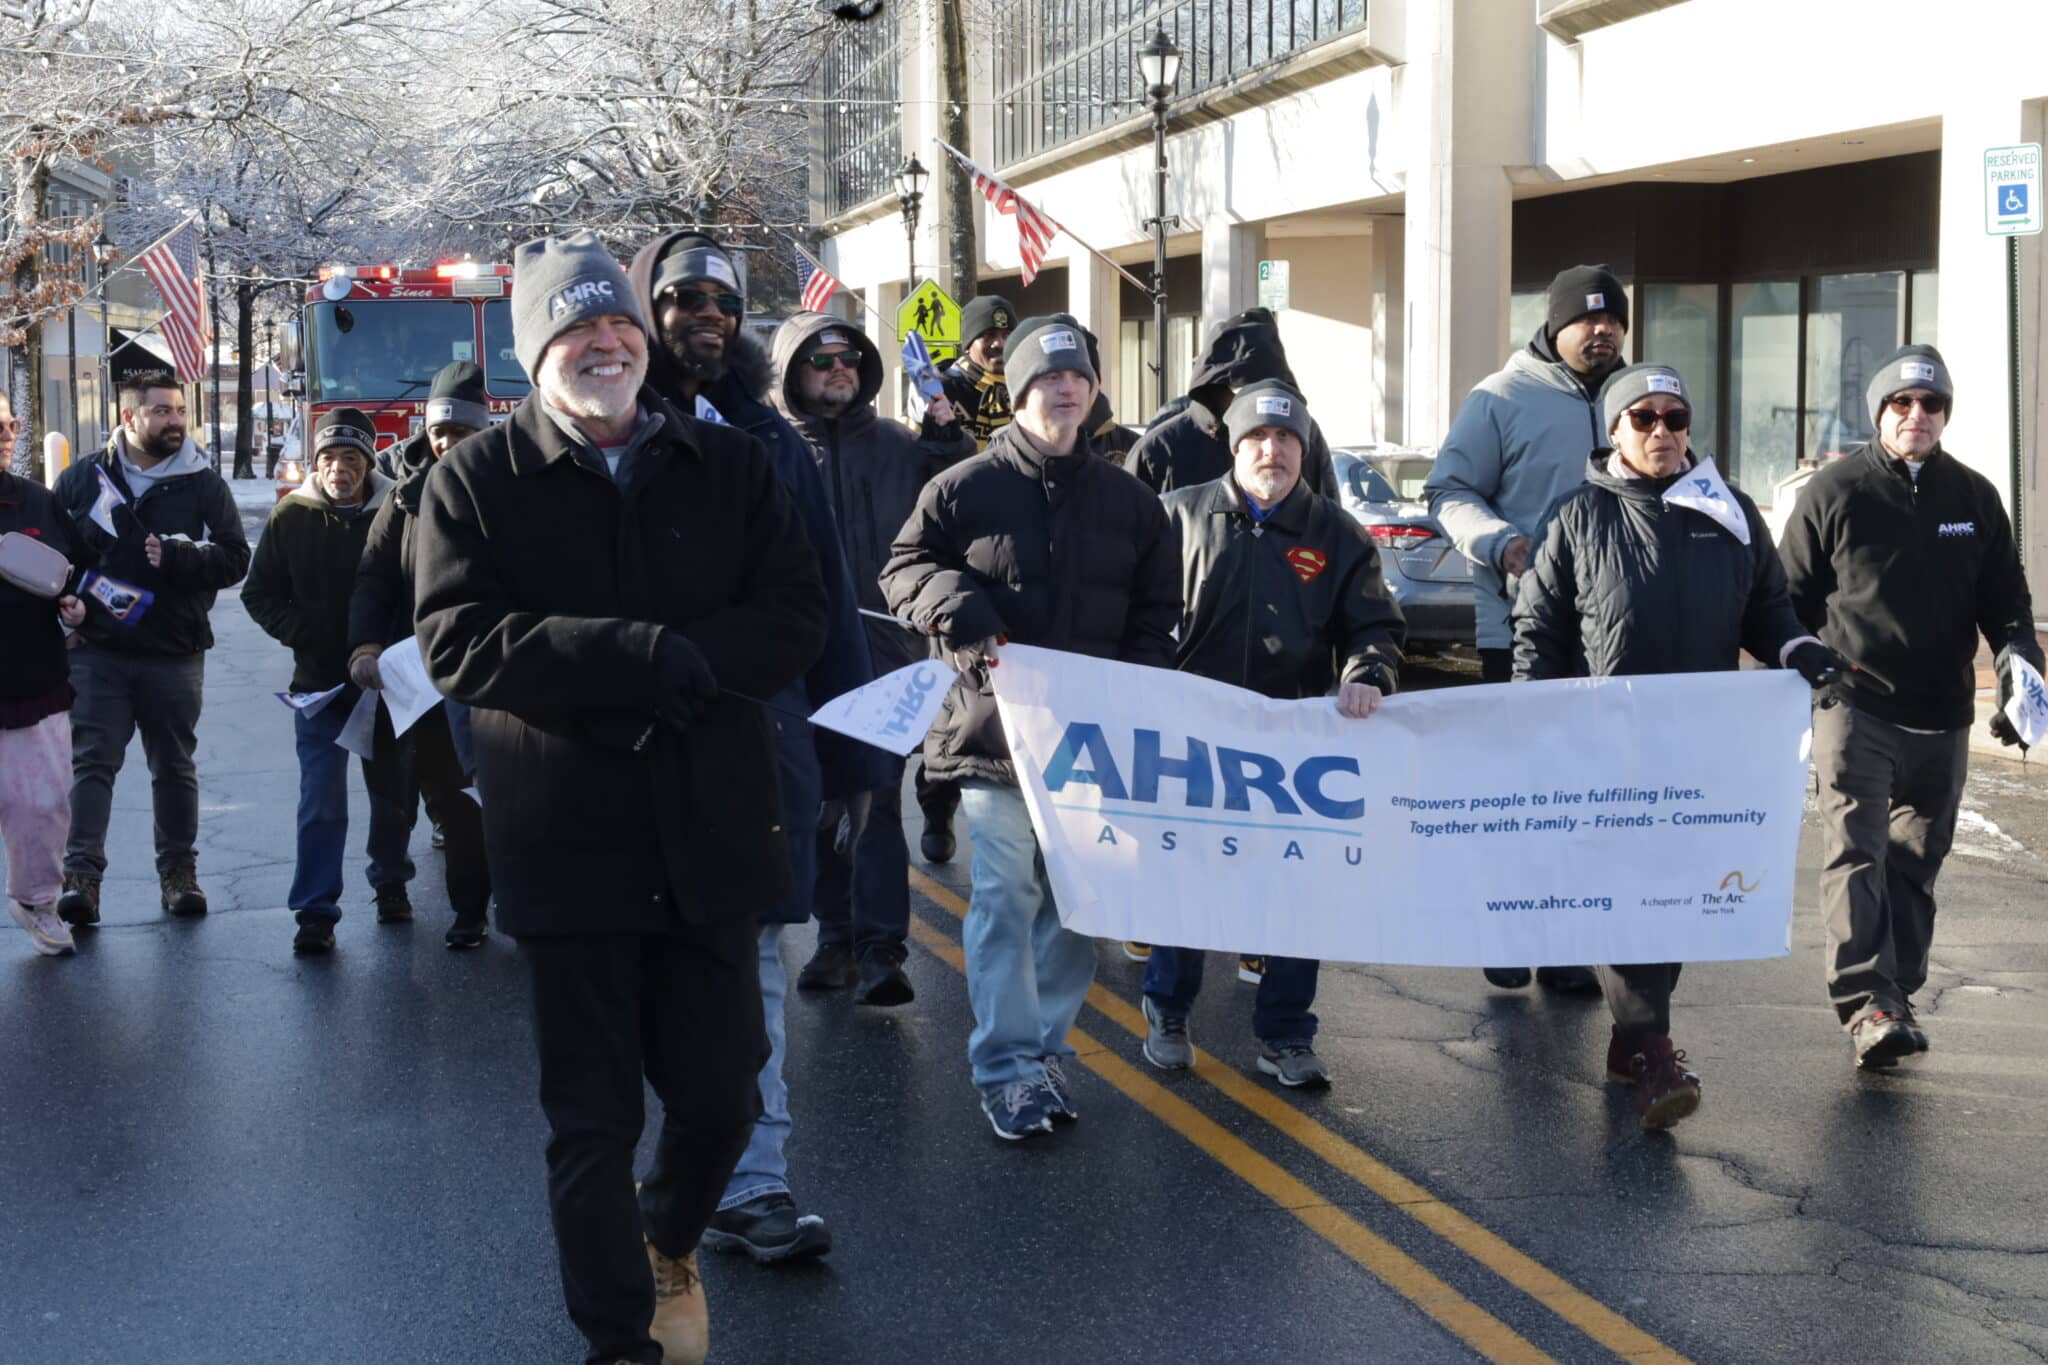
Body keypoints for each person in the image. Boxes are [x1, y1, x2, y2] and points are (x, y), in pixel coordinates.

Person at [415, 231, 827, 1365]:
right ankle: (618, 1342)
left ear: (641, 344)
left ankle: (666, 1236)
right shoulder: (473, 481)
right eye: (577, 327)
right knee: (590, 1122)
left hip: (711, 836)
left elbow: (796, 613)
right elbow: (454, 642)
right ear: (539, 351)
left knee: (721, 1100)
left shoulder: (731, 465)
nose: (603, 343)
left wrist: (686, 670)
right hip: (569, 849)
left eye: (618, 326)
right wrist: (633, 663)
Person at [626, 231, 881, 1264]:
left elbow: (823, 597)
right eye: (682, 298)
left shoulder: (769, 443)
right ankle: (657, 1183)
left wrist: (855, 752)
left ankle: (753, 1183)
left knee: (753, 973)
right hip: (629, 757)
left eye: (722, 304)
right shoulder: (598, 431)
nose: (704, 317)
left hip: (752, 751)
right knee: (639, 984)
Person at [1513, 363, 1846, 1130]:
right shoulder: (1574, 517)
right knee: (1625, 897)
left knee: (1675, 901)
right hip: (1605, 752)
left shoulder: (1727, 515)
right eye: (1644, 418)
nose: (1662, 431)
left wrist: (1800, 649)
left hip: (1702, 751)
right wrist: (1530, 724)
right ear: (1614, 430)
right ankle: (1657, 1053)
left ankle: (1631, 1042)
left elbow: (1768, 609)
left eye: (1675, 416)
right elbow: (1539, 631)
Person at [884, 313, 1181, 1140]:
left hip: (1090, 744)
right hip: (993, 734)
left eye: (1077, 377)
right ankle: (1006, 1066)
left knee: (1073, 902)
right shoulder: (964, 486)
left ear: (1092, 391)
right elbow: (905, 566)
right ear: (1018, 392)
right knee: (1007, 895)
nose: (1064, 389)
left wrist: (1138, 683)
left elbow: (1159, 610)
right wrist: (963, 613)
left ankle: (1050, 1045)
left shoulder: (1130, 501)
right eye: (1047, 378)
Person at [1778, 345, 2045, 1069]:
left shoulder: (1976, 498)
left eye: (1931, 405)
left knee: (1916, 861)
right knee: (1858, 852)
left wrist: (2023, 670)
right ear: (1880, 413)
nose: (1916, 416)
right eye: (1901, 403)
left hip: (1944, 713)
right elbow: (1786, 602)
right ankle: (1867, 1002)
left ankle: (1897, 990)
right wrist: (1796, 667)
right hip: (1855, 706)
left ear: (1945, 414)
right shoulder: (1835, 492)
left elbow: (2008, 606)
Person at [1140, 381, 1405, 1089]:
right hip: (1193, 741)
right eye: (1258, 436)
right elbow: (1138, 616)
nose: (1273, 450)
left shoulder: (1337, 534)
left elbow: (1375, 627)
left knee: (1294, 892)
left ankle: (1286, 1033)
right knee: (1189, 881)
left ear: (1304, 449)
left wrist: (1367, 671)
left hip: (1295, 748)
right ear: (1235, 445)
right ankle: (1167, 1007)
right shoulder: (1176, 517)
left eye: (1287, 439)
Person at [1425, 264, 1630, 995]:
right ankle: (1509, 929)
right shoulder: (1501, 397)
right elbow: (1447, 488)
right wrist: (1502, 542)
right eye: (1586, 319)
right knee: (1521, 795)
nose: (1600, 330)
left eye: (1612, 320)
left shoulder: (1640, 403)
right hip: (1516, 627)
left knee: (1589, 797)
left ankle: (1568, 941)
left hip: (1612, 636)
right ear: (1555, 325)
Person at [767, 310, 974, 1001]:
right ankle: (835, 939)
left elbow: (956, 499)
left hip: (882, 652)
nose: (837, 372)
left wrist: (946, 432)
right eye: (821, 362)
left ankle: (882, 948)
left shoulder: (896, 444)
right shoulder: (766, 448)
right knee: (820, 801)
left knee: (876, 799)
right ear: (794, 372)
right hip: (796, 654)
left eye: (848, 361)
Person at [52, 374, 251, 929]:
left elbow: (236, 558)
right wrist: (66, 603)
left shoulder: (202, 484)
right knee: (92, 764)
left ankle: (179, 877)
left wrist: (180, 559)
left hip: (174, 652)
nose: (175, 421)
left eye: (179, 410)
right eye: (162, 410)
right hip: (99, 651)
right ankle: (81, 881)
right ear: (129, 415)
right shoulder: (82, 479)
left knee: (174, 767)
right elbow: (55, 556)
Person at [242, 409, 415, 956]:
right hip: (319, 687)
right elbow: (258, 593)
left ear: (368, 462)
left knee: (393, 796)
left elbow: (416, 585)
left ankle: (391, 882)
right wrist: (304, 633)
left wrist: (395, 644)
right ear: (315, 464)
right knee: (321, 801)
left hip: (387, 685)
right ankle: (315, 912)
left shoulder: (399, 508)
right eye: (328, 459)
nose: (339, 469)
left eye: (350, 459)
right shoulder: (291, 516)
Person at [346, 364, 492, 950]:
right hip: (421, 675)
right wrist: (365, 645)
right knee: (449, 798)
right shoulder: (403, 499)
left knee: (487, 799)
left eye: (461, 432)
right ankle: (467, 911)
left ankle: (493, 899)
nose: (448, 443)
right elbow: (372, 577)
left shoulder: (513, 486)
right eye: (440, 432)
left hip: (492, 667)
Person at [1, 409, 89, 958]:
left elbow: (78, 573)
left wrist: (78, 610)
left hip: (32, 680)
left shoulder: (37, 501)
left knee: (42, 806)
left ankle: (37, 902)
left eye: (9, 424)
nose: (7, 435)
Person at [1128, 306, 1338, 499]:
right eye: (1247, 391)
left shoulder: (1305, 433)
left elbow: (1330, 521)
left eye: (1281, 435)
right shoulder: (1159, 450)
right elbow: (1124, 529)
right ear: (1220, 387)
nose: (1271, 449)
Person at [938, 292, 1015, 450]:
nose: (999, 344)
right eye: (988, 335)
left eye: (1006, 335)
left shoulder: (1027, 390)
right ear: (968, 345)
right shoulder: (941, 391)